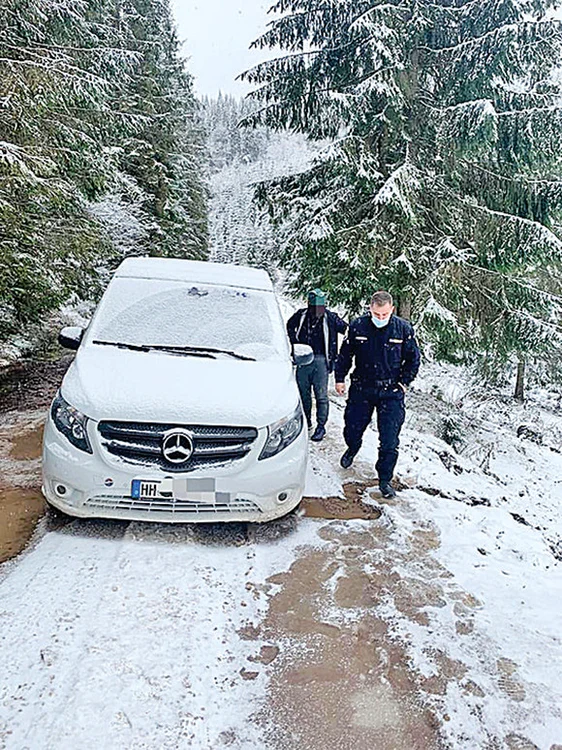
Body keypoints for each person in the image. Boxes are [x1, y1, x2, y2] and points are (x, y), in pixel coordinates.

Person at [334, 290, 420, 497]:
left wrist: (404, 384)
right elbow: (345, 355)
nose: (380, 318)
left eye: (384, 314)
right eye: (376, 314)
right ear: (370, 309)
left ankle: (384, 479)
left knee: (390, 439)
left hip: (391, 392)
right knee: (352, 429)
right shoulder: (358, 326)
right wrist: (339, 378)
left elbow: (413, 360)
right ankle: (352, 447)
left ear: (391, 310)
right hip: (362, 388)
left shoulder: (403, 329)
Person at [287, 289, 348, 441]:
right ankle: (306, 423)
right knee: (303, 395)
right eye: (314, 307)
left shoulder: (331, 318)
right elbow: (289, 326)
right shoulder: (301, 315)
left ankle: (321, 426)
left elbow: (347, 330)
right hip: (303, 359)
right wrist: (294, 342)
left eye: (320, 307)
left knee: (321, 396)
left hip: (322, 361)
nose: (317, 311)